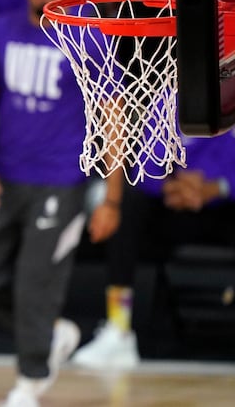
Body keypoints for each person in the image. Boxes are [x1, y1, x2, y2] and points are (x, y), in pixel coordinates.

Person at [0, 0, 122, 407]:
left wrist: (111, 198)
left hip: (61, 179)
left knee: (35, 284)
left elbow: (112, 115)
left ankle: (30, 381)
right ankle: (51, 332)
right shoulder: (0, 30)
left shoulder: (87, 35)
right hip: (4, 175)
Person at [71, 131, 235, 370]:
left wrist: (218, 187)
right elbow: (144, 166)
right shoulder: (167, 101)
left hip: (224, 205)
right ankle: (119, 328)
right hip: (174, 201)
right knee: (127, 204)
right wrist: (172, 184)